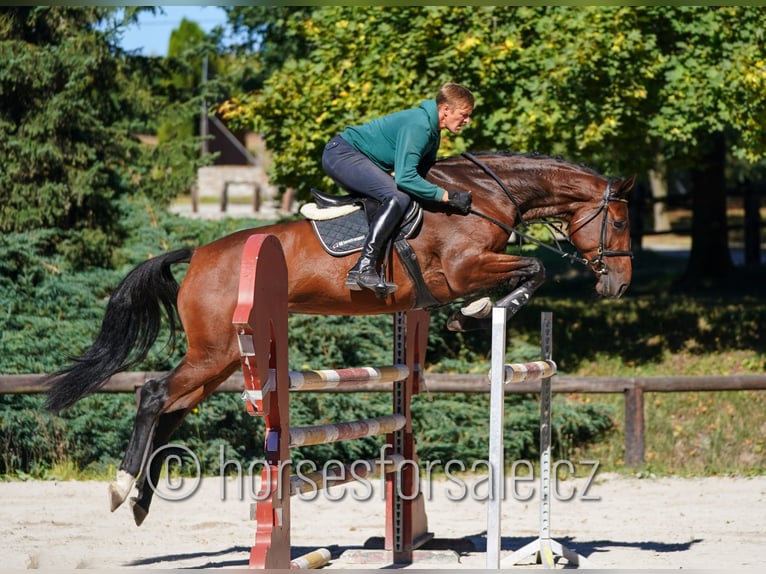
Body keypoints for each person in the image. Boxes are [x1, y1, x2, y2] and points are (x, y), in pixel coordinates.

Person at [322, 82, 475, 294]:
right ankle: (363, 267)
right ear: (446, 110)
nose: (467, 121)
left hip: (353, 156)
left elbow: (424, 173)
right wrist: (447, 196)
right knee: (397, 197)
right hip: (341, 154)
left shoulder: (432, 131)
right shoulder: (420, 126)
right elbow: (405, 179)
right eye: (464, 114)